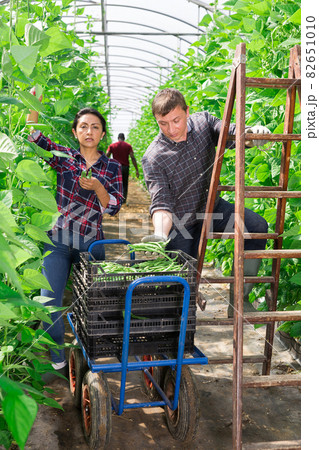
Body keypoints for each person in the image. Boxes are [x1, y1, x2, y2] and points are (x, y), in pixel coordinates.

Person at [141, 88, 270, 317]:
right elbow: (161, 201)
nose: (171, 129)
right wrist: (160, 234)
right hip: (181, 221)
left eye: (176, 120)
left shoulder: (203, 123)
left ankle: (239, 299)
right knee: (182, 287)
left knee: (257, 227)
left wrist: (250, 134)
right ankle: (182, 341)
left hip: (212, 208)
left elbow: (230, 134)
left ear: (187, 112)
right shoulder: (154, 156)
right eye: (163, 123)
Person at [27, 93, 123, 381]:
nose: (89, 131)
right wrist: (34, 103)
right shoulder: (65, 158)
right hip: (57, 241)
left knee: (89, 306)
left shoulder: (111, 168)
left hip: (90, 244)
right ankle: (58, 358)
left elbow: (115, 206)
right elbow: (34, 137)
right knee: (48, 303)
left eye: (94, 127)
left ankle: (83, 358)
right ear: (75, 132)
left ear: (103, 133)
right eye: (83, 126)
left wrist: (97, 187)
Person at [106, 133, 139, 203]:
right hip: (125, 168)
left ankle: (116, 198)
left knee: (116, 183)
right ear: (124, 138)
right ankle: (123, 200)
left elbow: (106, 156)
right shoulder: (128, 146)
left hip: (116, 167)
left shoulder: (112, 146)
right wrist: (136, 169)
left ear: (118, 138)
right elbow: (132, 157)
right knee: (124, 184)